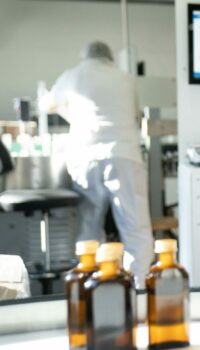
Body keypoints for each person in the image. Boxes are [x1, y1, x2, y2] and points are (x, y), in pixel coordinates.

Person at [40, 41, 153, 287]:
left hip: (86, 157)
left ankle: (92, 286)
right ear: (109, 57)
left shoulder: (72, 75)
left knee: (89, 229)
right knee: (136, 229)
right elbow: (133, 114)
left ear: (84, 56)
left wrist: (70, 110)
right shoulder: (126, 78)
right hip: (124, 155)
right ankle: (141, 286)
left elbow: (47, 104)